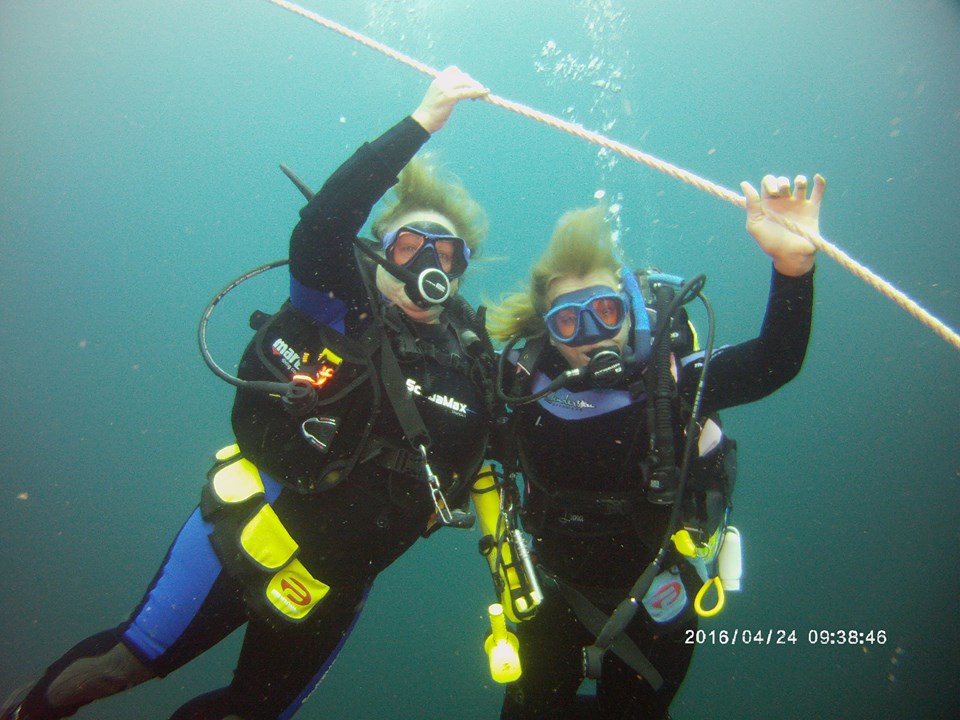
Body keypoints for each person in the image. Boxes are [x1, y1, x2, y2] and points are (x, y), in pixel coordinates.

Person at [3, 66, 496, 720]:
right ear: (378, 256)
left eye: (447, 252)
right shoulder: (337, 306)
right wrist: (421, 122)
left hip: (333, 585)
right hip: (246, 534)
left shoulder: (471, 360)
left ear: (461, 270)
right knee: (125, 663)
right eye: (410, 244)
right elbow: (323, 223)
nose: (429, 263)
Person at [485, 173, 825, 719]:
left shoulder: (675, 381)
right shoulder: (522, 387)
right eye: (569, 322)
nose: (592, 333)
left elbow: (775, 361)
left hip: (659, 600)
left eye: (607, 311)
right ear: (548, 333)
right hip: (552, 595)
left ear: (633, 310)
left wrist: (793, 270)